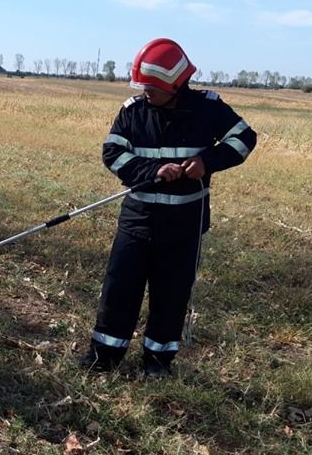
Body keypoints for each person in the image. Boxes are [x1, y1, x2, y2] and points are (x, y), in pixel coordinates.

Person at [80, 38, 257, 376]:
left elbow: (244, 138)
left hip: (184, 225)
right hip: (137, 221)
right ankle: (105, 357)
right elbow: (112, 153)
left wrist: (208, 161)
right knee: (120, 288)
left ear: (177, 85)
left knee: (171, 295)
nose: (147, 91)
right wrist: (151, 171)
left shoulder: (208, 109)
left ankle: (158, 361)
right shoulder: (133, 111)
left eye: (154, 87)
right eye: (143, 85)